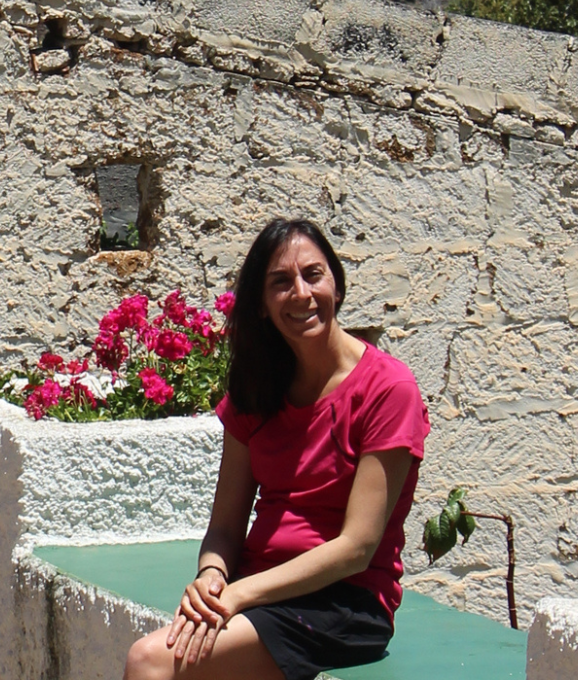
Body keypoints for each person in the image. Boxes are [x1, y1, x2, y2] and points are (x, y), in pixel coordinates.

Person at [123, 219, 431, 680]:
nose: (302, 294)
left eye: (313, 275)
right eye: (280, 283)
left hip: (342, 603)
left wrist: (240, 595)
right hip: (257, 590)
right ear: (263, 305)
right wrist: (212, 576)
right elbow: (225, 526)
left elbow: (356, 548)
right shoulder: (258, 388)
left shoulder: (389, 389)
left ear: (338, 287)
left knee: (150, 660)